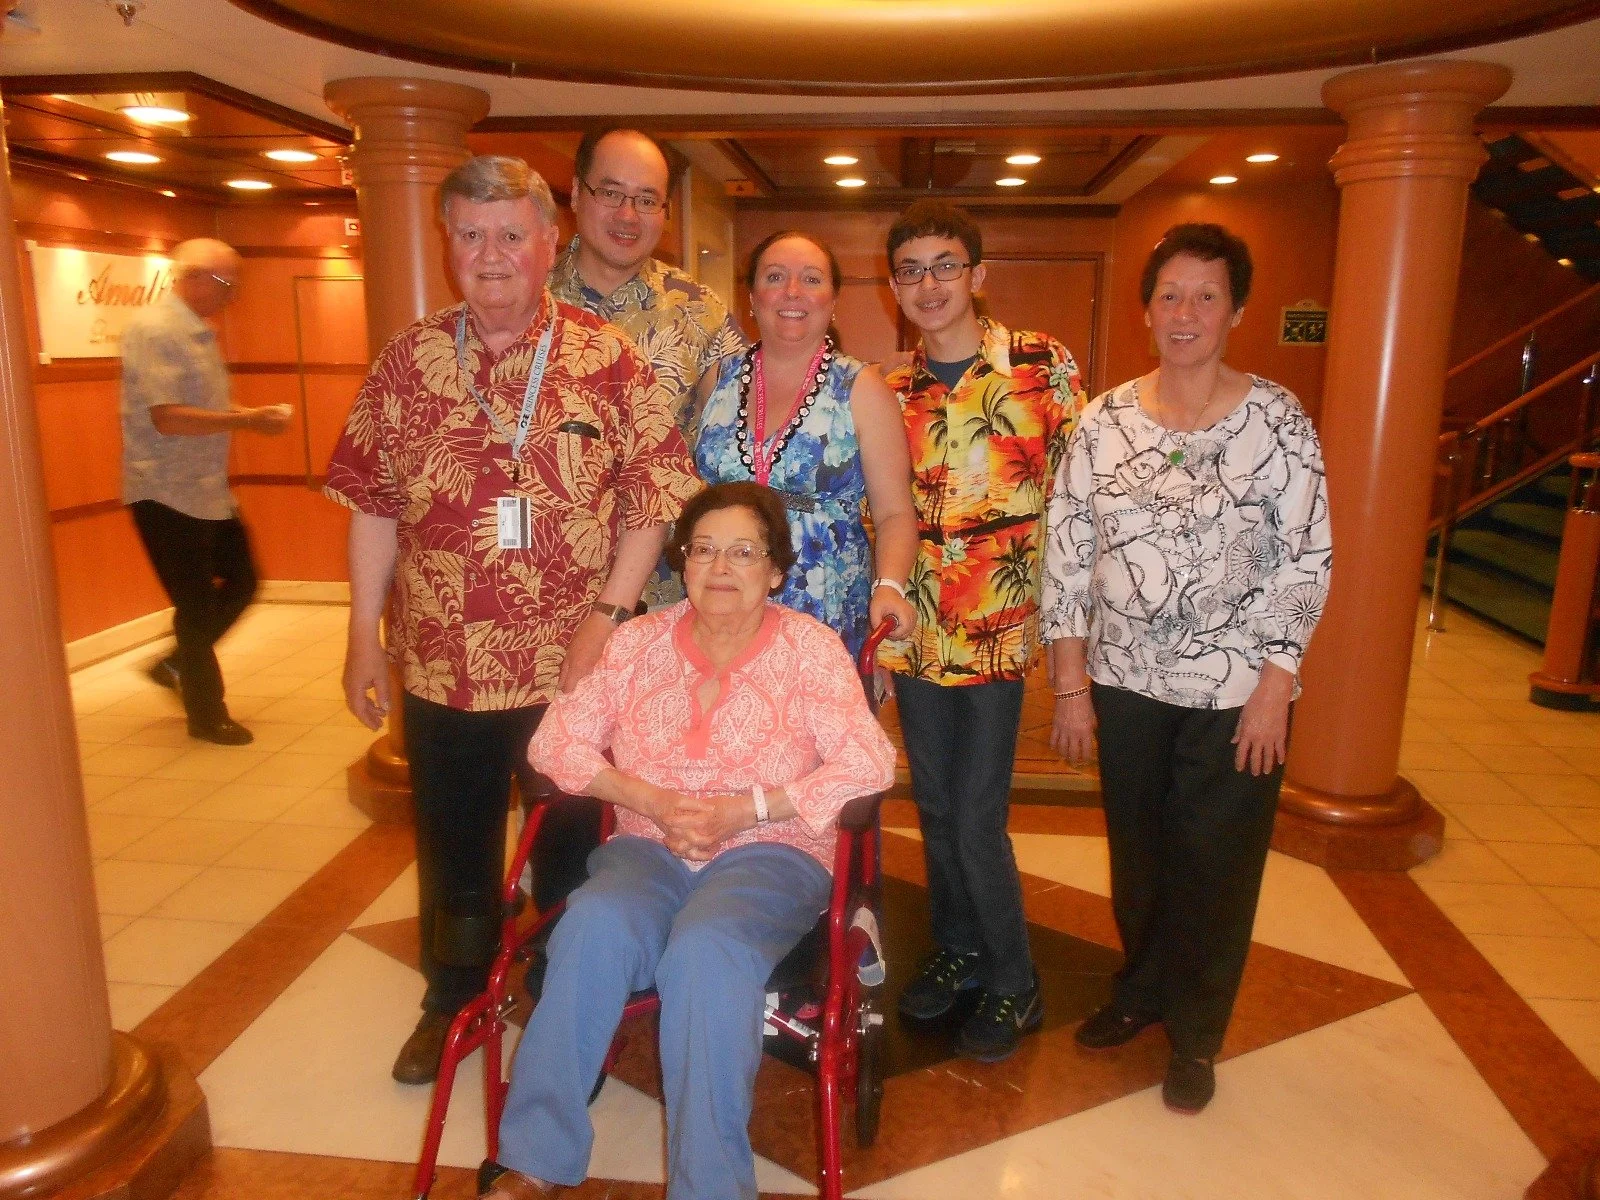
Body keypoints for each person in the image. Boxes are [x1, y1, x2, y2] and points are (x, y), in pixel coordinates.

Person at [323, 156, 699, 1086]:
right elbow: (373, 503)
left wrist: (608, 616)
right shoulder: (408, 361)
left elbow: (652, 502)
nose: (490, 255)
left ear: (546, 241)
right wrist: (361, 634)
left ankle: (569, 1000)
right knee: (453, 847)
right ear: (448, 243)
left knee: (571, 851)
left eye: (510, 235)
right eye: (470, 235)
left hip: (569, 669)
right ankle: (452, 997)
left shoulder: (607, 360)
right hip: (440, 664)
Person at [483, 482, 895, 1200]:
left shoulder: (810, 648)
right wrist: (645, 798)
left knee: (707, 952)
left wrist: (748, 809)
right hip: (647, 846)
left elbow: (870, 761)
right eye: (703, 550)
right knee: (592, 925)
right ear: (682, 562)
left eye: (743, 552)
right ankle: (534, 1159)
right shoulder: (638, 643)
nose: (720, 568)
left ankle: (709, 1188)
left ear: (776, 570)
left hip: (771, 853)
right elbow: (555, 742)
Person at [1042, 223, 1332, 1113]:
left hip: (1237, 693)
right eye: (1169, 294)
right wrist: (1071, 686)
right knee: (1140, 856)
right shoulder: (1103, 421)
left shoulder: (1278, 420)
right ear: (1146, 309)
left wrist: (1278, 685)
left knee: (1215, 865)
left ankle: (1197, 1033)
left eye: (1207, 296)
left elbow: (1307, 558)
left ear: (1236, 311)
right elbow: (1067, 554)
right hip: (1126, 682)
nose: (1185, 312)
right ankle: (1141, 992)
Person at [878, 201, 1085, 1062]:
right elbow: (878, 517)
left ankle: (1014, 978)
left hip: (1000, 633)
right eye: (911, 270)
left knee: (975, 816)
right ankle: (959, 947)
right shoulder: (889, 392)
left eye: (945, 265)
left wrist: (1074, 647)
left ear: (978, 274)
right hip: (918, 637)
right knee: (933, 805)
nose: (929, 284)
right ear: (894, 287)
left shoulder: (1042, 366)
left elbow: (1079, 503)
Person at [534, 126, 744, 912]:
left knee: (659, 773)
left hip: (662, 598)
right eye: (612, 194)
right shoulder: (528, 294)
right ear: (577, 195)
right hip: (540, 587)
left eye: (646, 200)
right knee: (559, 772)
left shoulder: (700, 313)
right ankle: (564, 928)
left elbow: (735, 446)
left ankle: (647, 922)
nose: (628, 214)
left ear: (665, 213)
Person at [695, 231, 918, 658]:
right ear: (751, 297)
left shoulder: (862, 389)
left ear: (833, 301)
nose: (792, 291)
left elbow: (894, 513)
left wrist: (889, 586)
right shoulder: (717, 380)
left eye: (812, 279)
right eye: (775, 277)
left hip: (824, 604)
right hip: (722, 600)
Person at [120, 237, 293, 746]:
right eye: (226, 283)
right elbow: (168, 418)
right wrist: (248, 422)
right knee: (195, 606)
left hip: (206, 491)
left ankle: (175, 663)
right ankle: (206, 713)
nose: (232, 295)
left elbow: (203, 406)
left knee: (243, 581)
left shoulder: (196, 332)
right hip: (164, 492)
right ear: (192, 277)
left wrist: (250, 416)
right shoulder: (155, 330)